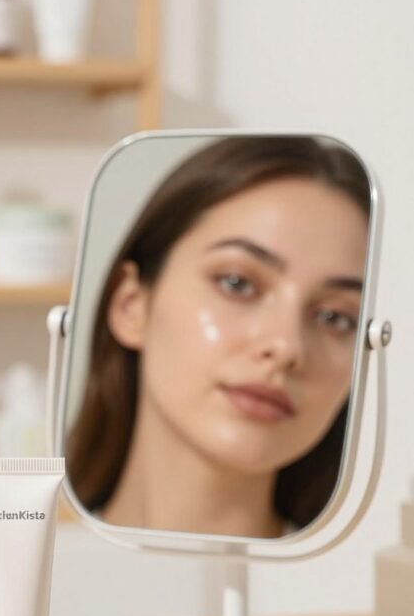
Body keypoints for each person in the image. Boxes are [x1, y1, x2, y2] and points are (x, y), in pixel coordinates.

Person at [66, 136, 371, 538]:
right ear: (131, 306)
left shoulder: (362, 593)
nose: (286, 347)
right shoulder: (24, 571)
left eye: (335, 317)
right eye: (238, 283)